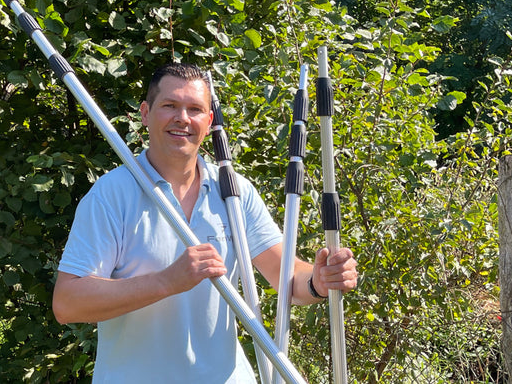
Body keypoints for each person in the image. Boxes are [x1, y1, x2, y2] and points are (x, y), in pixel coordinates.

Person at [53, 63, 358, 383]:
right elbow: (68, 303)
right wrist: (167, 281)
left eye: (195, 109)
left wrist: (320, 280)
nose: (182, 118)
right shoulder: (111, 196)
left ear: (209, 121)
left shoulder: (234, 192)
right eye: (170, 105)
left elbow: (288, 279)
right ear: (145, 113)